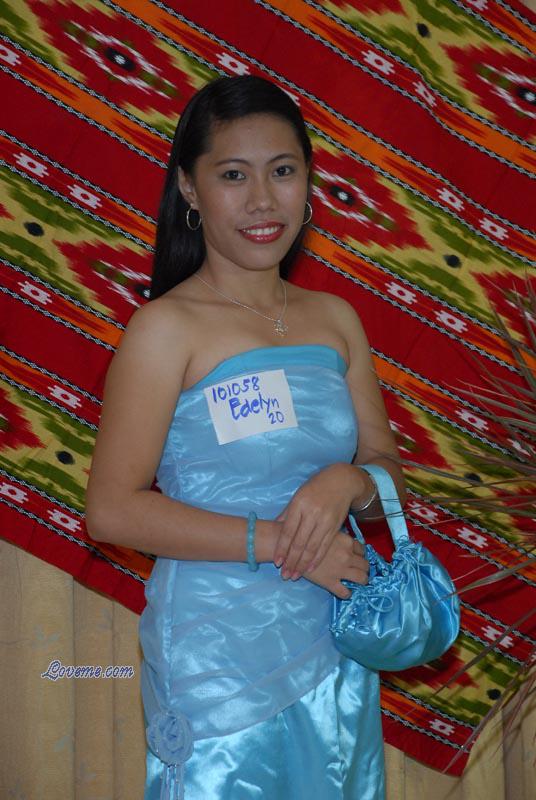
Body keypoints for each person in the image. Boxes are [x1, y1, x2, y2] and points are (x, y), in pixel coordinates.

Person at [85, 75, 406, 800]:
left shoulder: (336, 319)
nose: (263, 200)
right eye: (233, 175)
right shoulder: (165, 328)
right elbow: (111, 510)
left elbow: (385, 473)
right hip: (217, 657)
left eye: (282, 171)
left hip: (332, 636)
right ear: (189, 189)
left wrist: (351, 481)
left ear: (309, 181)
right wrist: (285, 543)